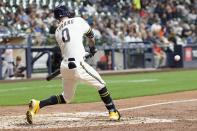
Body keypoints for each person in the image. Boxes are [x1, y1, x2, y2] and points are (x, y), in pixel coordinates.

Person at [26, 5, 121, 124]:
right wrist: (92, 49)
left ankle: (38, 104)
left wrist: (84, 53)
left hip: (65, 66)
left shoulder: (57, 31)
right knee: (101, 85)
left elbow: (70, 48)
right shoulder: (78, 20)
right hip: (77, 64)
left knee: (66, 97)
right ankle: (113, 111)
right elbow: (91, 37)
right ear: (66, 13)